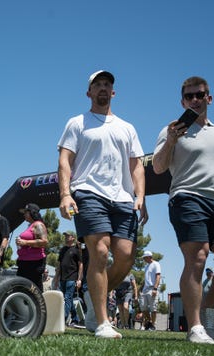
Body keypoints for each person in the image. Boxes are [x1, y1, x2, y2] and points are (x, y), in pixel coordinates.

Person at [152, 76, 214, 344]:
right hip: (187, 197)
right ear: (182, 101)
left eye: (200, 95)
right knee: (198, 257)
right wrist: (172, 140)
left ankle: (206, 305)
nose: (195, 100)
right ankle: (195, 327)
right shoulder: (170, 130)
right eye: (189, 97)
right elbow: (158, 167)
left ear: (209, 98)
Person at [57, 70, 147, 339]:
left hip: (122, 198)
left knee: (126, 256)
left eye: (107, 85)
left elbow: (137, 165)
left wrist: (140, 196)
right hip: (88, 192)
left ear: (114, 92)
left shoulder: (127, 128)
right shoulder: (77, 123)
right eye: (98, 85)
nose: (103, 88)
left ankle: (96, 296)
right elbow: (65, 161)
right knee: (99, 250)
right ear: (89, 93)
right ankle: (103, 322)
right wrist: (65, 193)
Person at [15, 203, 48, 291]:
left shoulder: (38, 225)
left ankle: (39, 305)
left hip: (34, 263)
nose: (24, 214)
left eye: (26, 212)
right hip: (24, 262)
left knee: (34, 289)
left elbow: (44, 242)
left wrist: (25, 242)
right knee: (22, 288)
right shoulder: (31, 226)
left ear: (31, 213)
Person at [53, 231, 83, 327]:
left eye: (68, 236)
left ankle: (63, 320)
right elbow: (59, 265)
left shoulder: (76, 250)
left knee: (67, 298)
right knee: (68, 299)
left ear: (73, 238)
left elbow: (80, 264)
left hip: (72, 277)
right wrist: (56, 278)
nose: (66, 238)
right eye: (65, 236)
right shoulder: (62, 250)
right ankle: (75, 319)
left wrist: (79, 279)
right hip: (62, 278)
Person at [140, 250, 162, 330]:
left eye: (145, 258)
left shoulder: (156, 264)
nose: (144, 259)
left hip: (153, 288)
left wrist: (155, 288)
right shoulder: (146, 266)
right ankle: (149, 322)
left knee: (153, 308)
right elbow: (145, 279)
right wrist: (141, 289)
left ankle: (152, 325)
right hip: (145, 289)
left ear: (149, 257)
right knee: (143, 307)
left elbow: (158, 276)